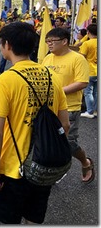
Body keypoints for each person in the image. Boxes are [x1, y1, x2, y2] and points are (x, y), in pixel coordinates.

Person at [0, 22, 69, 224]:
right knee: (34, 218)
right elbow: (64, 125)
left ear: (7, 45)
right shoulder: (52, 77)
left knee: (10, 220)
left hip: (13, 167)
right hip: (42, 163)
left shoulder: (6, 79)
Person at [42, 28, 94, 183]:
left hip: (70, 107)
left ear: (64, 41)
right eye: (47, 41)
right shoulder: (48, 58)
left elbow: (82, 82)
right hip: (49, 107)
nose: (49, 44)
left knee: (68, 142)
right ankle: (54, 169)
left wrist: (58, 91)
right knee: (48, 139)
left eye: (52, 41)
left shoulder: (77, 59)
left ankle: (86, 162)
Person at [79, 24, 97, 119]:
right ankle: (95, 110)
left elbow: (81, 57)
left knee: (88, 92)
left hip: (89, 70)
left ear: (88, 32)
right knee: (96, 92)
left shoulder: (87, 43)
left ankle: (90, 111)